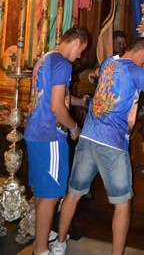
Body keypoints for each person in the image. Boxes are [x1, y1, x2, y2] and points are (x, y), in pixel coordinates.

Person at [51, 37, 144, 255]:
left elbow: (98, 73)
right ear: (143, 53)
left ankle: (59, 243)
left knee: (74, 193)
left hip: (87, 137)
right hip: (112, 144)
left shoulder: (108, 63)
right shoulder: (137, 71)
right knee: (122, 203)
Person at [24, 27, 89, 255]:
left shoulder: (46, 58)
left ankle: (40, 241)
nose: (80, 55)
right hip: (50, 135)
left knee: (43, 192)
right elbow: (56, 107)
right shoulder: (63, 63)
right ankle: (41, 249)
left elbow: (53, 97)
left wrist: (80, 103)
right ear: (76, 42)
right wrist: (74, 128)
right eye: (82, 49)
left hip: (34, 131)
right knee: (51, 195)